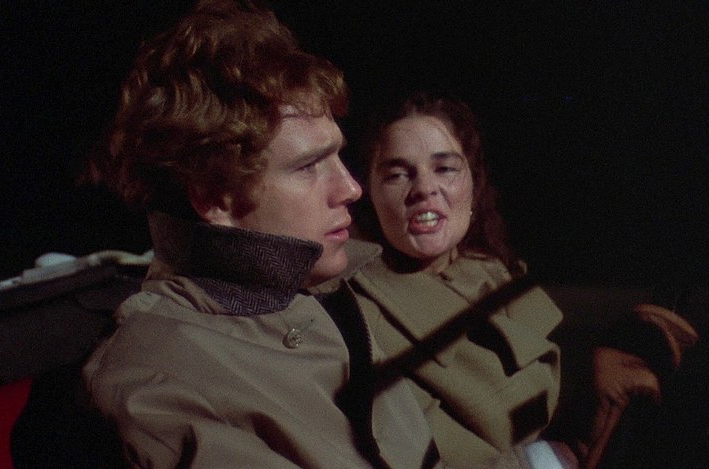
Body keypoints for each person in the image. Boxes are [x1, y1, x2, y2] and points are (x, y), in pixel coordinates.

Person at [80, 2, 440, 467]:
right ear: (215, 197)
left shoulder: (321, 294)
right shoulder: (154, 384)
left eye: (337, 156)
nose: (351, 188)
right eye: (309, 166)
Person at [344, 90, 699, 468]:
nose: (425, 189)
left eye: (445, 169)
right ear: (368, 193)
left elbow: (550, 389)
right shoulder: (357, 317)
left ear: (473, 183)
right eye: (397, 174)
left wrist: (604, 379)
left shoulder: (490, 270)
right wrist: (565, 452)